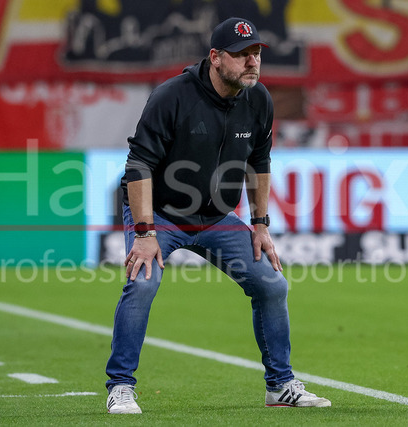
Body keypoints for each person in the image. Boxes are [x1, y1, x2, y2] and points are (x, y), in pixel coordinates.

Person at [105, 17, 332, 414]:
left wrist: (260, 225)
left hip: (214, 217)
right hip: (159, 215)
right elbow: (138, 165)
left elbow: (259, 162)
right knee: (142, 284)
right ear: (215, 57)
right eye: (242, 54)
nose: (252, 62)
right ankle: (120, 387)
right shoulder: (172, 96)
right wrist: (144, 233)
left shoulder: (259, 99)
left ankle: (280, 386)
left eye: (256, 53)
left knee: (272, 285)